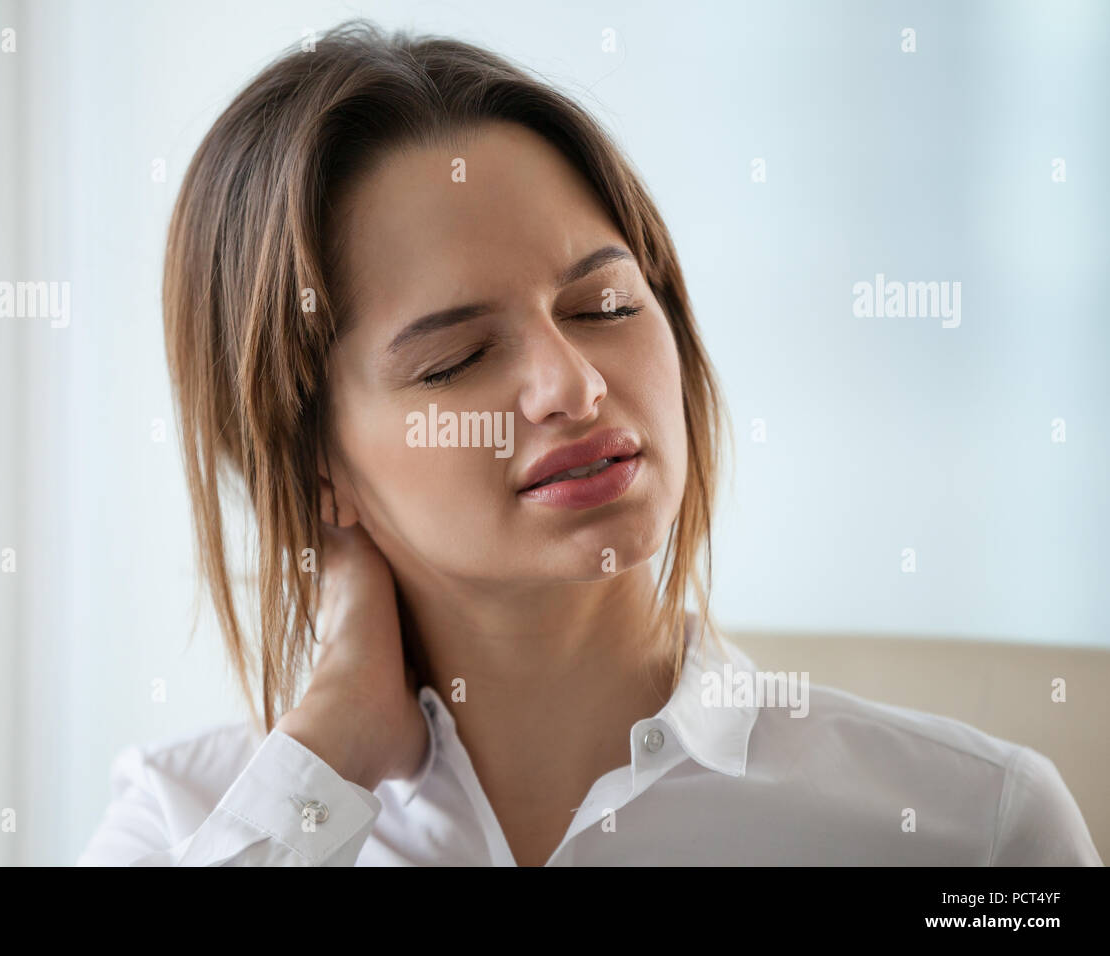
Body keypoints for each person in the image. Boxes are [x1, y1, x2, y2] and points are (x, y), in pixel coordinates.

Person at [77, 19, 1101, 866]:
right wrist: (328, 753)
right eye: (456, 360)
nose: (573, 383)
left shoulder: (973, 828)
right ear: (314, 465)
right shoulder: (187, 819)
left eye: (605, 303)